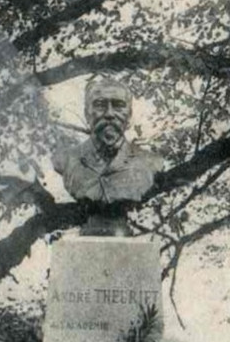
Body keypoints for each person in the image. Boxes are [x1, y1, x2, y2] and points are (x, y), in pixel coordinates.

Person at [53, 76, 164, 231]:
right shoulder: (66, 159)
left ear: (129, 116)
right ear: (87, 113)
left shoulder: (150, 162)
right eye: (100, 105)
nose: (109, 114)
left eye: (118, 106)